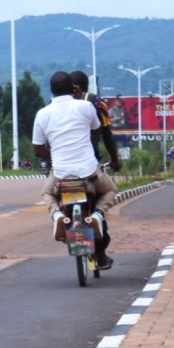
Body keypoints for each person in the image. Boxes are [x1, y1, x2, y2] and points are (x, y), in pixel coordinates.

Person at [33, 71, 117, 269]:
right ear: (74, 88)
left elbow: (37, 150)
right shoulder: (86, 106)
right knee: (110, 190)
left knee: (47, 193)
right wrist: (78, 99)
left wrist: (55, 157)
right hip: (89, 171)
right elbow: (97, 131)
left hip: (61, 173)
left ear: (51, 91)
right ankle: (96, 215)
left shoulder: (42, 114)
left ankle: (57, 216)